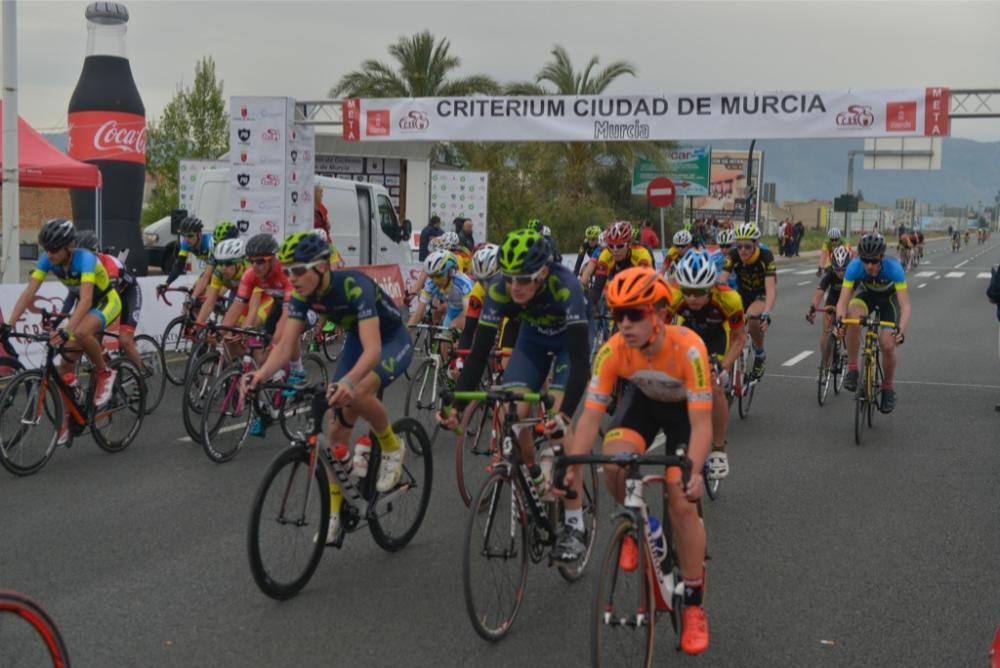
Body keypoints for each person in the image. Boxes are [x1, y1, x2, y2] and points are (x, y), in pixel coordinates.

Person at [573, 266, 712, 656]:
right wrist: (570, 467)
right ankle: (640, 524)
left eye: (635, 313)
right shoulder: (612, 349)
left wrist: (695, 470)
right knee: (613, 463)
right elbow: (590, 418)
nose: (625, 324)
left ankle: (695, 603)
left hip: (685, 417)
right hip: (644, 408)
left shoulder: (689, 348)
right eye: (618, 314)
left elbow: (702, 425)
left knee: (681, 496)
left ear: (662, 314)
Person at [245, 231, 413, 544]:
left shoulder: (353, 285)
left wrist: (349, 381)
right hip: (356, 341)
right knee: (335, 433)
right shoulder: (301, 295)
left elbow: (373, 350)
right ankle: (336, 512)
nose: (291, 278)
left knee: (358, 392)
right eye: (288, 270)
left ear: (322, 267)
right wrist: (261, 374)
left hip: (391, 340)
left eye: (298, 270)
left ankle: (391, 445)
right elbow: (284, 345)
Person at [439, 229, 591, 563]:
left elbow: (581, 363)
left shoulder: (567, 286)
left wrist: (563, 413)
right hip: (532, 342)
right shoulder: (499, 290)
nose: (515, 287)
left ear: (543, 273)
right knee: (511, 410)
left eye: (524, 279)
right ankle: (535, 475)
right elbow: (478, 353)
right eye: (510, 279)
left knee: (561, 430)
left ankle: (575, 522)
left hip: (568, 346)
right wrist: (457, 403)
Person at [5, 219, 119, 417]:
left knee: (81, 332)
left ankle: (105, 372)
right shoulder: (47, 259)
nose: (49, 254)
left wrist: (67, 331)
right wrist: (8, 324)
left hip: (106, 302)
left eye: (54, 249)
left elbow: (85, 301)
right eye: (46, 249)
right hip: (87, 307)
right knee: (64, 365)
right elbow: (29, 293)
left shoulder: (86, 259)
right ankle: (70, 413)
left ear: (70, 247)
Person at [669, 251, 744, 482]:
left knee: (715, 384)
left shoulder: (730, 299)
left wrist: (725, 366)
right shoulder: (672, 296)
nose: (692, 298)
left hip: (715, 337)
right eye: (687, 291)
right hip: (686, 333)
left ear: (711, 287)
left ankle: (719, 449)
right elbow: (660, 332)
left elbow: (739, 338)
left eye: (699, 292)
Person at [835, 234, 910, 413]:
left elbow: (905, 305)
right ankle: (853, 369)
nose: (869, 265)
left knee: (886, 344)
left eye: (874, 261)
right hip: (866, 296)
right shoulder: (854, 267)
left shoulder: (894, 269)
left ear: (882, 257)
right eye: (866, 260)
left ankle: (888, 388)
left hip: (888, 301)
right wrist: (840, 322)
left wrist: (901, 330)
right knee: (852, 316)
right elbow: (842, 302)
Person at [72, 231, 146, 380]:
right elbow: (75, 297)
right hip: (105, 297)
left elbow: (110, 302)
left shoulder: (109, 265)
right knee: (88, 335)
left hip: (127, 294)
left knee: (125, 341)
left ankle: (141, 375)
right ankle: (106, 367)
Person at [718, 222, 776, 380]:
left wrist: (767, 312)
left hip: (761, 295)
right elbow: (722, 281)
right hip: (742, 294)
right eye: (739, 246)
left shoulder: (766, 256)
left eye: (747, 246)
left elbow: (770, 288)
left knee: (752, 317)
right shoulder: (733, 255)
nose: (742, 250)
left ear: (756, 244)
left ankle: (760, 354)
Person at [579, 221, 654, 314]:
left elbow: (646, 286)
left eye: (620, 246)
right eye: (611, 246)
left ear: (629, 243)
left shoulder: (642, 254)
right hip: (616, 281)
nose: (615, 250)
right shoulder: (605, 255)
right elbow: (597, 289)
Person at [807, 245, 851, 372]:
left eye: (844, 269)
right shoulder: (830, 273)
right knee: (827, 332)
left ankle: (847, 350)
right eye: (837, 269)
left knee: (846, 327)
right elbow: (820, 291)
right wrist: (813, 308)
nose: (841, 273)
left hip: (848, 299)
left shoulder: (853, 273)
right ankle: (825, 365)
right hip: (833, 299)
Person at [159, 216, 214, 299]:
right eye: (184, 235)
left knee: (206, 298)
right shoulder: (186, 244)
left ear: (199, 234)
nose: (186, 239)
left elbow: (209, 274)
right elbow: (179, 266)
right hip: (212, 270)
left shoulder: (209, 243)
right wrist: (167, 283)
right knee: (191, 299)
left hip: (225, 271)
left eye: (190, 235)